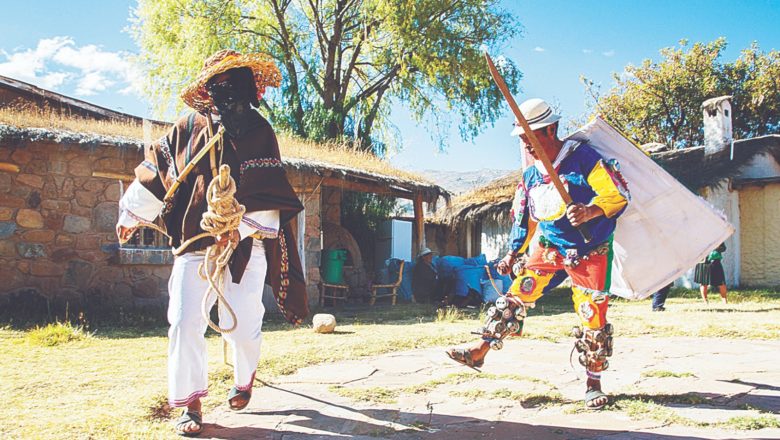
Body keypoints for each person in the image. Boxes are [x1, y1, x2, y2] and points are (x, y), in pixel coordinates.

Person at [116, 50, 308, 436]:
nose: (227, 92)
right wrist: (131, 214)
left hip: (244, 244)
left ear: (249, 87)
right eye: (219, 85)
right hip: (194, 242)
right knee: (185, 322)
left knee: (242, 324)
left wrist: (239, 229)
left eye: (234, 83)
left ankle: (243, 379)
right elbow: (159, 171)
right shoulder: (187, 127)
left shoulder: (260, 132)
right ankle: (191, 403)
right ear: (208, 90)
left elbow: (273, 194)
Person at [446, 98, 630, 410]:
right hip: (548, 247)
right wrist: (512, 251)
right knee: (514, 297)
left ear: (552, 130)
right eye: (522, 139)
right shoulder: (531, 177)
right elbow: (526, 219)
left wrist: (590, 211)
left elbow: (618, 194)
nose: (527, 146)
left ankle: (592, 382)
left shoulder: (583, 158)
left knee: (592, 314)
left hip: (589, 249)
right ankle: (479, 351)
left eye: (531, 138)